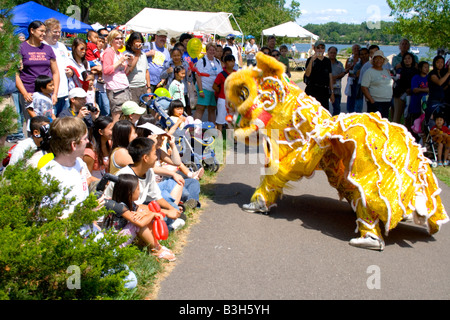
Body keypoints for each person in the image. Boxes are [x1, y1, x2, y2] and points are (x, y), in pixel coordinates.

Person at [104, 137, 184, 229]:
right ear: (145, 158)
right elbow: (134, 207)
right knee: (158, 217)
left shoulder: (148, 171)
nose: (156, 157)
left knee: (173, 207)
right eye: (154, 154)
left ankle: (168, 225)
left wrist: (171, 209)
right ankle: (168, 227)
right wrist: (165, 212)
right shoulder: (126, 176)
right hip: (123, 215)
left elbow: (157, 196)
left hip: (139, 208)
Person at [107, 173, 176, 261]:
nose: (140, 191)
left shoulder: (130, 203)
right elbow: (140, 223)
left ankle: (155, 244)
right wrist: (151, 215)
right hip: (115, 243)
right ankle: (156, 249)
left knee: (143, 215)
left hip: (122, 236)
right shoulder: (120, 206)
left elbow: (143, 210)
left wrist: (144, 214)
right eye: (138, 189)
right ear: (129, 193)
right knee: (138, 224)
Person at [39, 116, 97, 219]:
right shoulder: (50, 174)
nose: (88, 141)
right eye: (85, 138)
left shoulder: (79, 162)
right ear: (73, 145)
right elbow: (50, 216)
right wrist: (89, 211)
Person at [16, 21, 60, 126]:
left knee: (49, 123)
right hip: (30, 93)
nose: (44, 34)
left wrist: (55, 93)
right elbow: (16, 74)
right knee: (34, 124)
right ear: (32, 31)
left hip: (46, 92)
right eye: (41, 31)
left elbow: (56, 72)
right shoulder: (21, 48)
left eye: (45, 31)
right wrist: (24, 93)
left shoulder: (47, 49)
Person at [103, 30, 132, 123]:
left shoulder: (120, 53)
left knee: (126, 118)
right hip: (115, 90)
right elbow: (106, 70)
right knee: (117, 119)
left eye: (121, 38)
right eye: (117, 38)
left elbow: (125, 72)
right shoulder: (108, 52)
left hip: (125, 88)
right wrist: (120, 62)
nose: (120, 40)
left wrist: (130, 63)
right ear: (111, 40)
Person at [43, 18, 71, 116]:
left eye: (59, 32)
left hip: (64, 92)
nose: (57, 34)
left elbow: (67, 65)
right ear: (46, 32)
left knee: (64, 125)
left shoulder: (62, 46)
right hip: (49, 93)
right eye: (55, 32)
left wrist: (70, 71)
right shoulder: (42, 46)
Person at [194, 42, 223, 123]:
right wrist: (200, 90)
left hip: (213, 89)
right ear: (207, 50)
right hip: (204, 87)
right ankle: (196, 129)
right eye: (210, 50)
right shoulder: (202, 61)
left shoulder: (217, 61)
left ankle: (211, 130)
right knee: (200, 108)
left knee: (212, 109)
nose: (212, 51)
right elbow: (198, 76)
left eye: (214, 50)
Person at [361, 50, 393, 119]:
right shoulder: (369, 72)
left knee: (384, 123)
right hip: (375, 102)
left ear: (383, 60)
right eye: (377, 58)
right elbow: (364, 87)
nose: (379, 61)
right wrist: (371, 100)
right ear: (373, 60)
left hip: (386, 102)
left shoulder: (386, 71)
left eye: (381, 59)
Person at [304, 40, 335, 110]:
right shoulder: (310, 60)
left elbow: (330, 77)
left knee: (324, 111)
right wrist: (312, 60)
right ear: (314, 49)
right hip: (312, 89)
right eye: (318, 48)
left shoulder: (327, 61)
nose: (320, 49)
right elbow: (307, 74)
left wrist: (332, 92)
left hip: (324, 91)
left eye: (322, 47)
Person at [161, 47, 191, 113]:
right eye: (174, 56)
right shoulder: (168, 64)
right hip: (172, 92)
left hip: (183, 91)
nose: (176, 57)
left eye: (178, 55)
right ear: (171, 56)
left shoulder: (185, 64)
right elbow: (161, 76)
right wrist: (167, 71)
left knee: (183, 110)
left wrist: (189, 74)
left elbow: (189, 79)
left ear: (181, 55)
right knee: (173, 111)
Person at [125, 32, 151, 105]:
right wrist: (137, 54)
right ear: (131, 43)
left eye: (140, 43)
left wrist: (148, 87)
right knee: (133, 112)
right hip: (132, 87)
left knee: (143, 112)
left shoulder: (143, 55)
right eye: (136, 43)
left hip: (143, 87)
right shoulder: (127, 54)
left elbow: (146, 71)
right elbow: (129, 70)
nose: (139, 45)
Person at [392, 52, 418, 124]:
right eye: (405, 59)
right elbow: (396, 81)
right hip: (399, 94)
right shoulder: (399, 70)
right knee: (397, 115)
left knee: (408, 117)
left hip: (411, 95)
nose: (407, 60)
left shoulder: (416, 71)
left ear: (412, 60)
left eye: (409, 58)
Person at [407, 61, 429, 141]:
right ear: (420, 68)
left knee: (424, 123)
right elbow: (414, 90)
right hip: (416, 103)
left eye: (428, 67)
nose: (427, 69)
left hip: (425, 104)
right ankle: (414, 140)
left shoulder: (429, 77)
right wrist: (426, 89)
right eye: (425, 67)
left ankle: (423, 141)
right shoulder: (416, 77)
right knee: (415, 123)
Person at [213, 54, 235, 131]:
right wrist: (221, 92)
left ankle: (230, 138)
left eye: (233, 61)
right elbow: (214, 86)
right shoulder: (221, 74)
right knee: (220, 119)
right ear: (225, 63)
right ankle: (219, 137)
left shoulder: (236, 74)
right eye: (229, 61)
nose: (231, 63)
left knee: (230, 120)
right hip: (222, 99)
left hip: (232, 100)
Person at [427, 55, 450, 119]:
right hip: (434, 99)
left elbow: (443, 87)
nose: (440, 64)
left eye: (442, 62)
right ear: (434, 63)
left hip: (444, 100)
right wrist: (448, 73)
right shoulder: (432, 74)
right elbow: (439, 83)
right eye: (438, 62)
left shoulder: (444, 73)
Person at [328, 46, 347, 116]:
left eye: (334, 53)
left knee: (337, 109)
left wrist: (336, 77)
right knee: (325, 109)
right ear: (328, 53)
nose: (332, 54)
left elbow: (343, 72)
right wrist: (330, 79)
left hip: (337, 90)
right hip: (327, 89)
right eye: (331, 53)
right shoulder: (325, 63)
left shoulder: (339, 64)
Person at [95, 35, 110, 116]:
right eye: (99, 41)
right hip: (93, 85)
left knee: (106, 109)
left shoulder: (104, 53)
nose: (100, 43)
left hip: (103, 86)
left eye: (102, 42)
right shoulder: (91, 53)